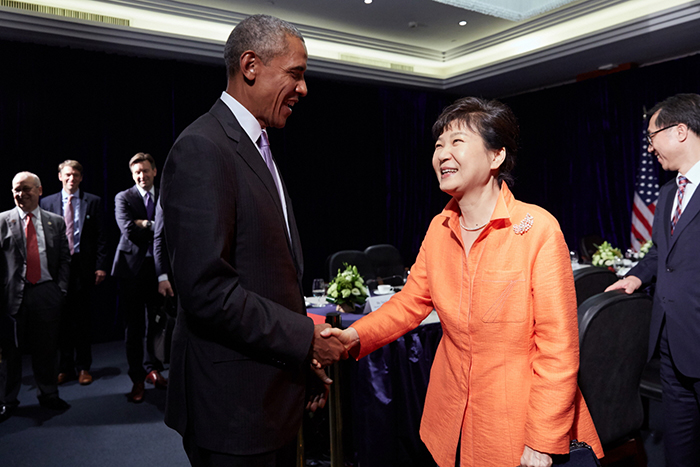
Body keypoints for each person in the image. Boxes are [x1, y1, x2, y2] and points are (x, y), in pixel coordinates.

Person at [323, 97, 603, 467]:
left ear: (496, 156)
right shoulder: (439, 229)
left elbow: (559, 350)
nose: (442, 153)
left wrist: (541, 438)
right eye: (438, 144)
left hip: (517, 422)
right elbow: (410, 303)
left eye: (457, 142)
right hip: (451, 414)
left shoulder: (537, 230)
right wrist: (354, 336)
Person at [160, 14, 346, 466]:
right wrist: (306, 339)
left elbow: (267, 274)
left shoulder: (254, 144)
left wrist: (299, 364)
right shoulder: (203, 148)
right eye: (296, 74)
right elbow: (208, 292)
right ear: (250, 65)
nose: (304, 90)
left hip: (265, 398)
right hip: (232, 412)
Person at [606, 93, 700, 467]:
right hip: (670, 346)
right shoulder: (665, 194)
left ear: (679, 131)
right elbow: (661, 254)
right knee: (679, 453)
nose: (649, 147)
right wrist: (634, 279)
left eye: (652, 136)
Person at [0, 172, 71, 421]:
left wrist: (59, 290)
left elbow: (64, 259)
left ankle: (49, 394)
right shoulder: (2, 221)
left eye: (26, 189)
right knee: (10, 353)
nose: (21, 194)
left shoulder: (56, 222)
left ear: (40, 190)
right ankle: (7, 401)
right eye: (16, 190)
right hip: (12, 299)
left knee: (47, 349)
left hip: (46, 294)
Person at [40, 160, 108, 386]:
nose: (72, 179)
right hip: (58, 267)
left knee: (83, 319)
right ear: (60, 176)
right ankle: (64, 367)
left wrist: (100, 265)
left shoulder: (94, 201)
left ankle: (83, 367)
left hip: (83, 266)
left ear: (81, 177)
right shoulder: (47, 202)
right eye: (68, 175)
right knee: (61, 320)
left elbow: (100, 236)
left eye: (76, 175)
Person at [111, 152, 167, 403]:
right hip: (131, 271)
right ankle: (136, 378)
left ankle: (153, 369)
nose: (142, 176)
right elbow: (128, 230)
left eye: (145, 171)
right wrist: (153, 226)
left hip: (159, 270)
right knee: (134, 327)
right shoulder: (123, 197)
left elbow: (170, 230)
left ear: (154, 171)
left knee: (157, 323)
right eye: (137, 173)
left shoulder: (165, 195)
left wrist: (145, 223)